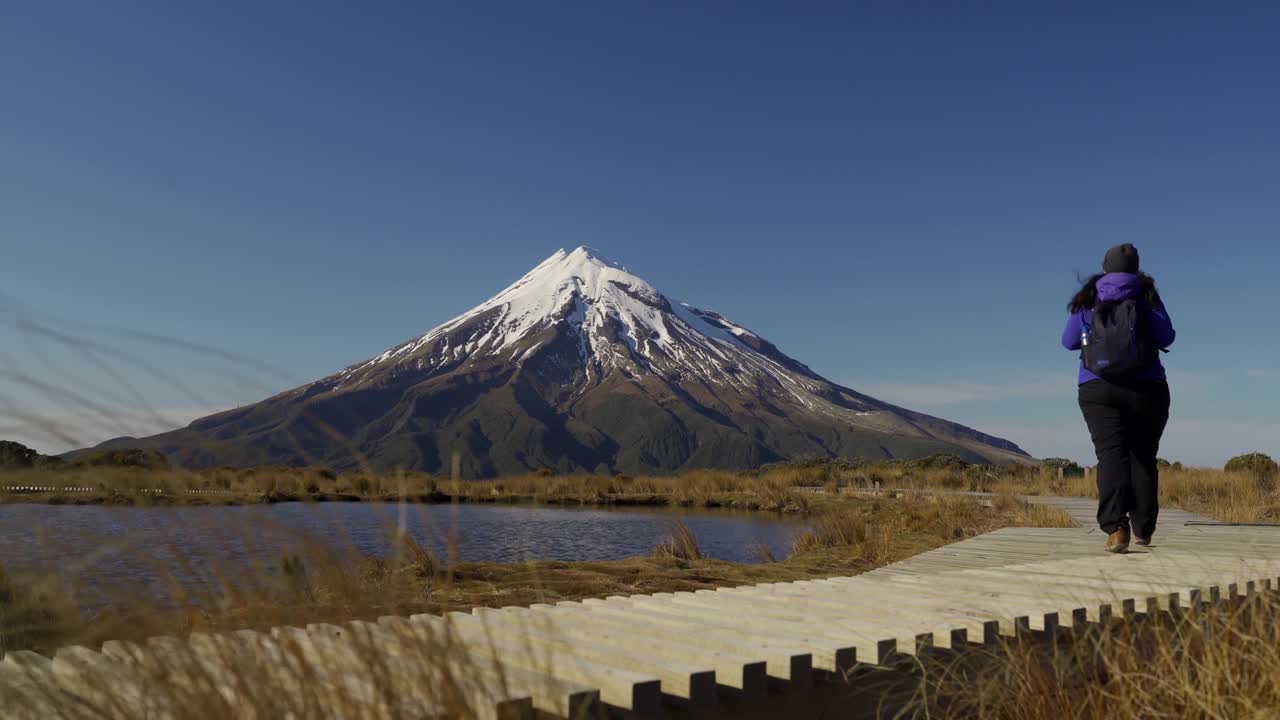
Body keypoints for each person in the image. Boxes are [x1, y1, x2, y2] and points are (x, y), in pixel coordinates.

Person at [1062, 244, 1176, 553]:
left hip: (1097, 387)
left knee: (1110, 455)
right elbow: (1167, 336)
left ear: (1105, 268)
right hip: (1147, 387)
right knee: (1143, 455)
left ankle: (1116, 529)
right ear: (1136, 268)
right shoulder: (1147, 295)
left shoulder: (1089, 297)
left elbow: (1068, 341)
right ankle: (1143, 527)